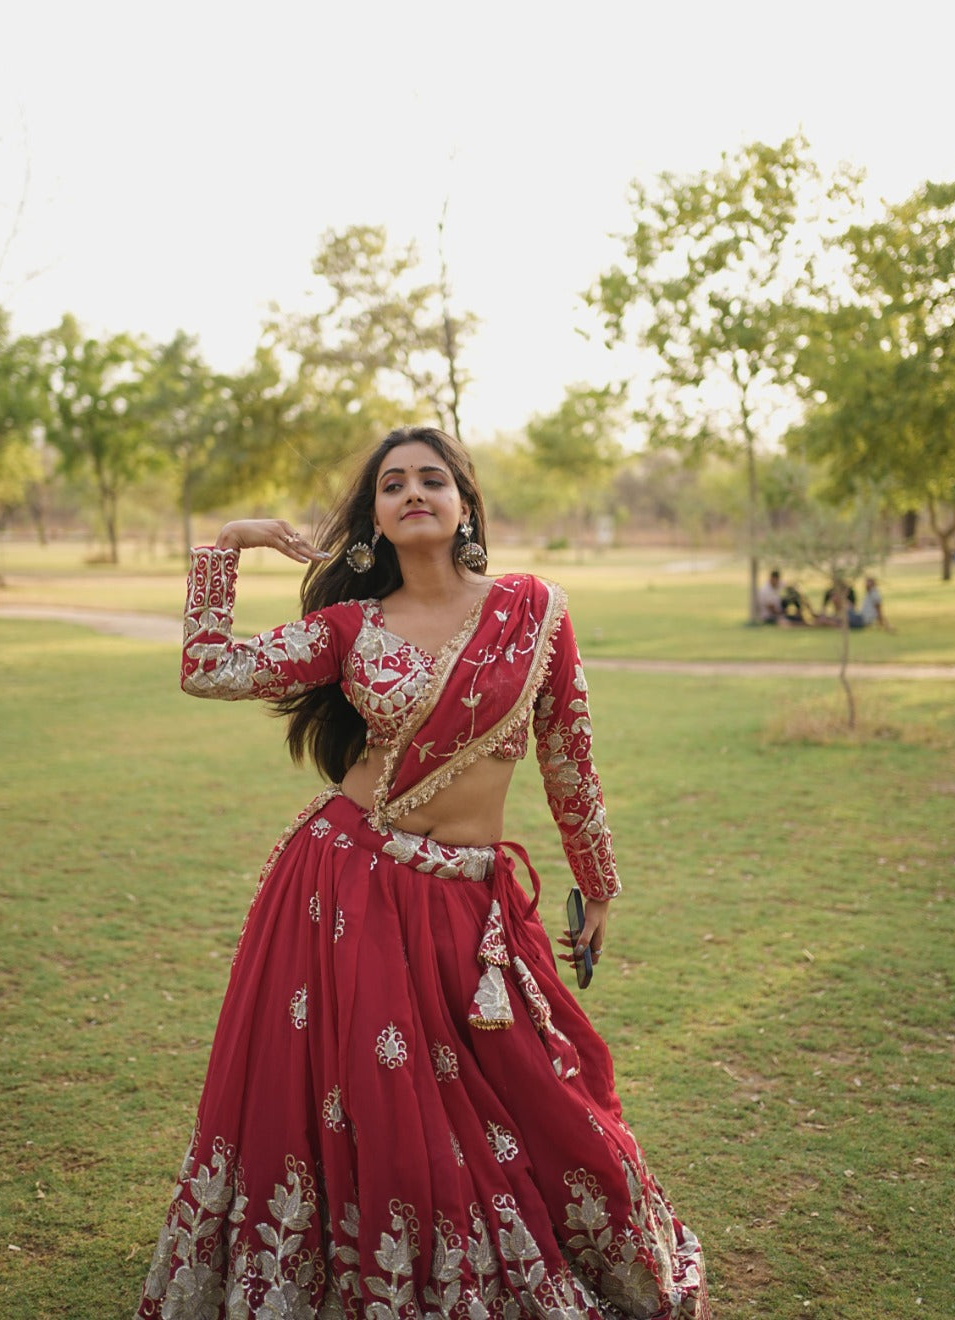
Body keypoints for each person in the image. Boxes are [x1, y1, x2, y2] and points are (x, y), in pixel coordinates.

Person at [134, 426, 710, 1320]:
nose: (413, 492)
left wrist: (597, 884)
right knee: (372, 1100)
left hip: (468, 900)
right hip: (349, 885)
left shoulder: (534, 611)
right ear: (375, 519)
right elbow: (208, 670)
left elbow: (569, 756)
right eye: (393, 483)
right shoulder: (353, 629)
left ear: (464, 505)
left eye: (432, 479)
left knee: (531, 1088)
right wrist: (226, 546)